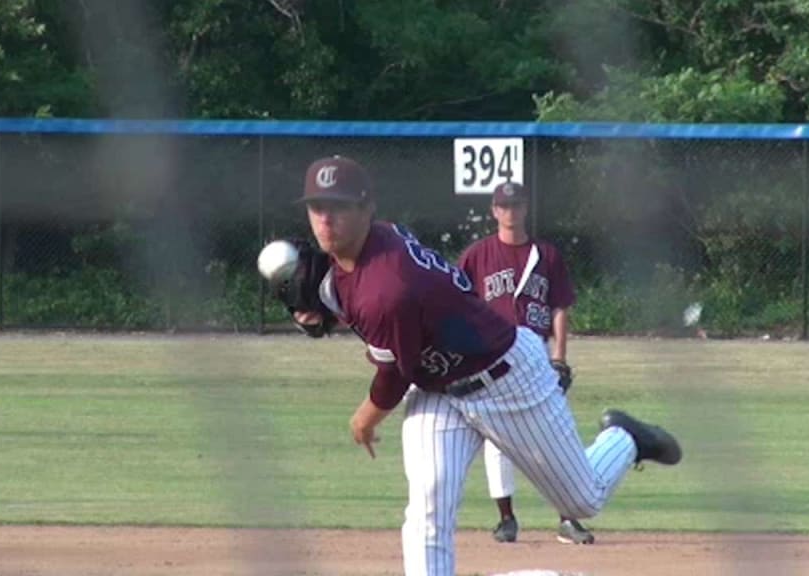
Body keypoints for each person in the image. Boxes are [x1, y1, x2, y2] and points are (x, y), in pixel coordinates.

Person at [290, 155, 682, 576]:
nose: (326, 218)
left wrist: (364, 421)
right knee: (428, 505)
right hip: (438, 391)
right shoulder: (370, 247)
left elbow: (392, 375)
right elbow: (364, 306)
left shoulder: (388, 286)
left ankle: (624, 437)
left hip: (508, 378)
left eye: (340, 206)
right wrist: (326, 308)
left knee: (582, 500)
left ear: (367, 208)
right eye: (317, 207)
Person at [458, 180, 591, 545]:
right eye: (504, 206)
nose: (510, 212)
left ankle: (568, 518)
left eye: (516, 205)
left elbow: (559, 306)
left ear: (525, 209)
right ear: (494, 211)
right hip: (492, 358)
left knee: (555, 439)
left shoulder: (545, 255)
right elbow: (456, 303)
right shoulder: (476, 255)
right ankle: (506, 519)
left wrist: (560, 358)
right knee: (496, 440)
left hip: (535, 359)